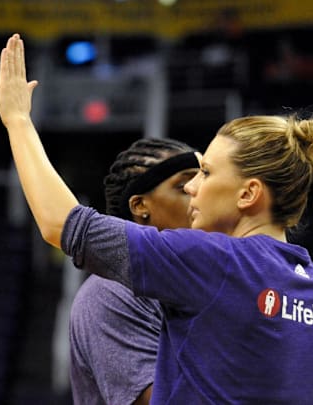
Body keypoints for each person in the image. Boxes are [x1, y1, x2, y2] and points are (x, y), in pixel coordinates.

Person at [0, 33, 313, 404]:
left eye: (203, 173)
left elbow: (61, 224)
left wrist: (18, 121)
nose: (192, 189)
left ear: (248, 194)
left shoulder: (213, 260)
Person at [69, 138, 198, 405]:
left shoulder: (208, 277)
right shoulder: (110, 292)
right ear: (140, 206)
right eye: (184, 186)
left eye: (205, 181)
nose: (200, 193)